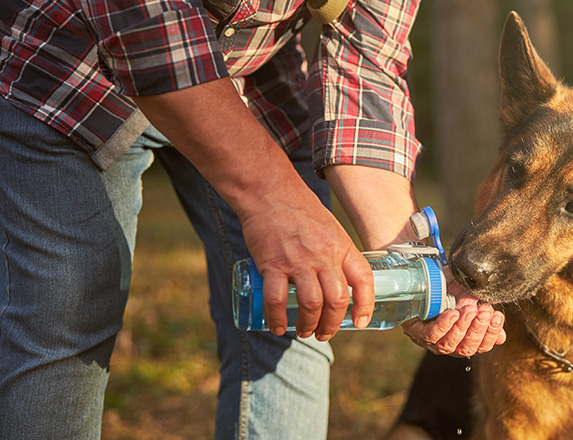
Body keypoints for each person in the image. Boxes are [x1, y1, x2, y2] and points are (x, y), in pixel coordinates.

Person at [0, 0, 505, 438]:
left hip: (247, 72)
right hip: (70, 62)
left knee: (298, 316)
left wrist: (413, 267)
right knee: (66, 310)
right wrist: (278, 202)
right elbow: (146, 26)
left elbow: (366, 65)